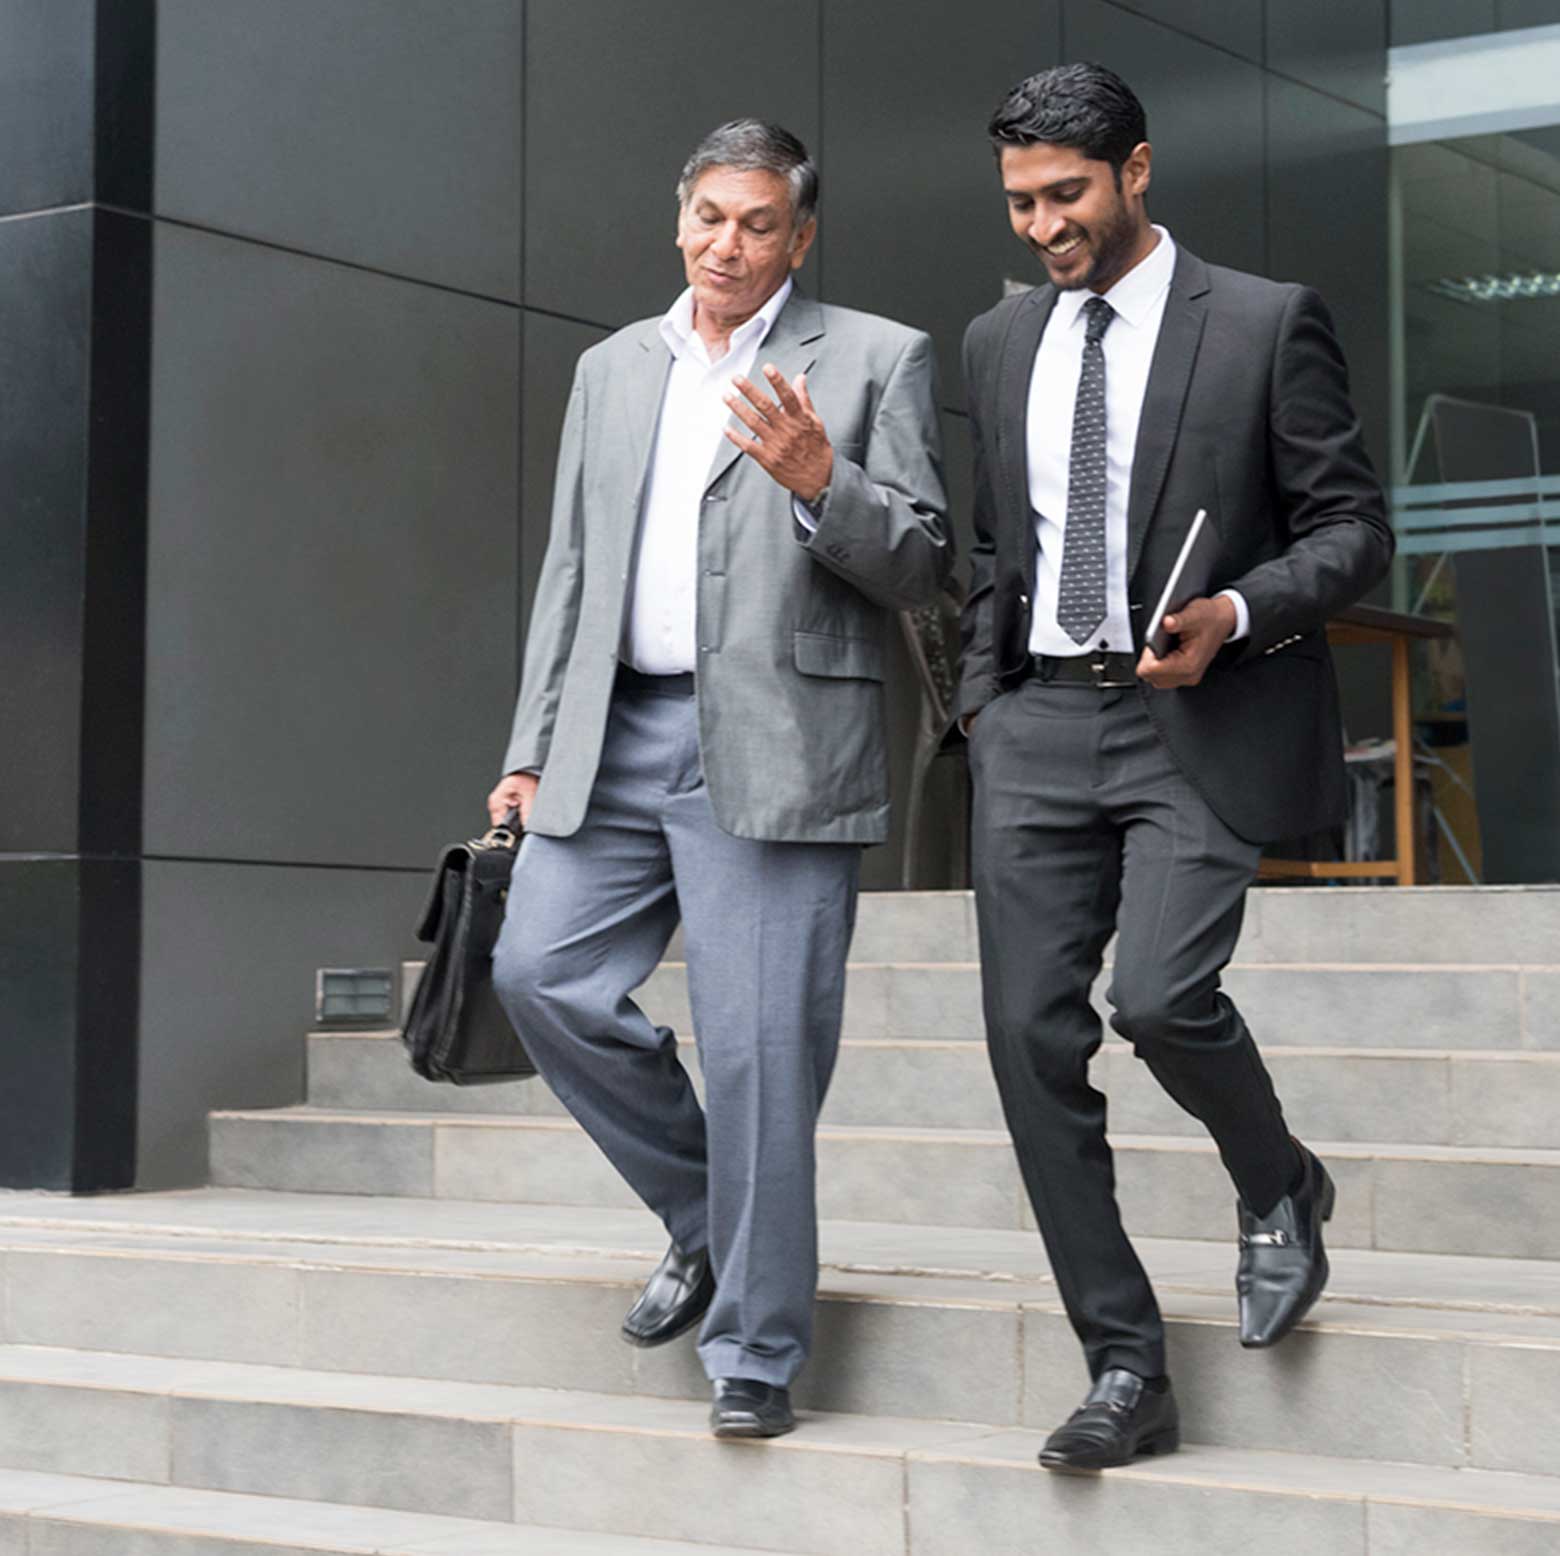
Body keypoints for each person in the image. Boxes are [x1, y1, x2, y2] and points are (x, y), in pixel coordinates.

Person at [956, 64, 1393, 1472]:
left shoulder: (1265, 324)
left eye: (1066, 194)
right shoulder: (994, 342)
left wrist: (1239, 612)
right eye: (1022, 201)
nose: (1043, 227)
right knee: (1030, 1039)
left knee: (1157, 994)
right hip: (1036, 723)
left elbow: (1351, 528)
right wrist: (983, 701)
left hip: (1195, 720)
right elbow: (994, 546)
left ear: (1136, 171)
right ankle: (1124, 1364)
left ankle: (1279, 1182)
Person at [489, 119, 950, 1441]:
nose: (727, 246)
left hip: (781, 742)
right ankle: (707, 1217)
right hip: (615, 736)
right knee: (541, 978)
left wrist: (824, 483)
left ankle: (755, 1351)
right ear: (679, 222)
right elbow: (570, 571)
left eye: (757, 224)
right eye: (708, 219)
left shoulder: (874, 359)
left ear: (800, 238)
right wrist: (531, 746)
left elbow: (923, 560)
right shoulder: (612, 368)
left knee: (761, 1054)